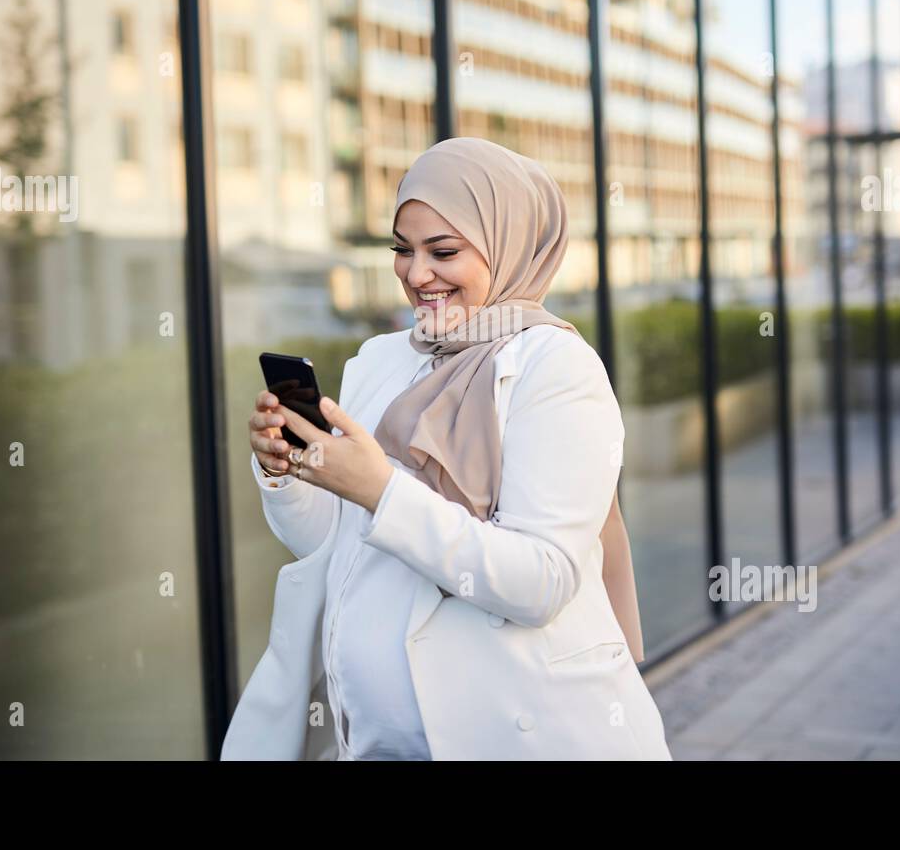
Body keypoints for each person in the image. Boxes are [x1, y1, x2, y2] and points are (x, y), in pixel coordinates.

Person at [225, 136, 672, 760]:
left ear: (508, 244)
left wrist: (380, 488)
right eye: (402, 251)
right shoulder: (381, 360)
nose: (416, 274)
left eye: (444, 251)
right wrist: (292, 471)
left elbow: (541, 580)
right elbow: (336, 545)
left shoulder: (557, 368)